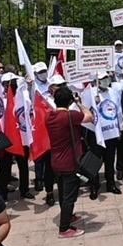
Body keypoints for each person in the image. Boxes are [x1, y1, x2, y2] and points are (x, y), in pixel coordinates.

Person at [46, 87, 95, 235]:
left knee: (62, 192)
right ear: (70, 101)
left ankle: (68, 216)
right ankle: (65, 227)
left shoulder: (49, 116)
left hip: (56, 161)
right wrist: (79, 103)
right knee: (70, 196)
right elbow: (89, 116)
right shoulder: (69, 116)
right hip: (70, 162)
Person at [87, 71, 123, 195]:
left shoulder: (113, 92)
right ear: (97, 80)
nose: (105, 81)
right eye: (102, 79)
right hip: (96, 133)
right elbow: (85, 111)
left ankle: (111, 184)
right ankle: (94, 185)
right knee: (95, 161)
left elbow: (118, 111)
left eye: (106, 78)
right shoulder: (90, 92)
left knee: (110, 160)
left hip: (111, 133)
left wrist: (119, 129)